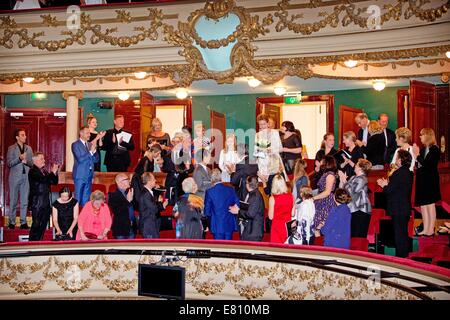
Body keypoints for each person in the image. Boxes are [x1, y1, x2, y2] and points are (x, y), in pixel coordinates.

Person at [377, 150, 413, 258]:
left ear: (401, 160)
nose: (396, 159)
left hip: (398, 208)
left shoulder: (398, 173)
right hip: (404, 208)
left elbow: (389, 190)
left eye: (397, 157)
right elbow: (398, 189)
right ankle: (404, 257)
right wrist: (388, 184)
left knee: (399, 236)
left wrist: (383, 185)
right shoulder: (408, 173)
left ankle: (401, 258)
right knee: (403, 234)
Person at [413, 128, 441, 236]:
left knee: (430, 205)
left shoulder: (435, 149)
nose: (420, 137)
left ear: (428, 136)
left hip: (430, 180)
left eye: (422, 135)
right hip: (422, 180)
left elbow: (427, 164)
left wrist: (417, 155)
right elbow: (419, 165)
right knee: (423, 206)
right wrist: (416, 158)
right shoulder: (424, 149)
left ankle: (430, 229)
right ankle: (425, 228)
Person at [28, 152, 59, 241]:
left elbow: (54, 182)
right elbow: (43, 180)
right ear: (35, 160)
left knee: (43, 225)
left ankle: (38, 243)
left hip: (46, 202)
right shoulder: (32, 171)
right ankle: (31, 243)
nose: (44, 160)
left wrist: (55, 172)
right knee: (36, 224)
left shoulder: (44, 171)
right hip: (37, 202)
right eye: (41, 159)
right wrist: (52, 172)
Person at [7, 128, 33, 229]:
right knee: (13, 200)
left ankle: (23, 222)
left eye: (25, 135)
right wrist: (19, 159)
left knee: (24, 200)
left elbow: (31, 164)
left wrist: (27, 162)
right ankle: (12, 222)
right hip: (14, 177)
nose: (25, 137)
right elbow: (9, 163)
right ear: (17, 137)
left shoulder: (29, 149)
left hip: (25, 177)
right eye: (22, 135)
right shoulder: (11, 148)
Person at [339, 159, 372, 238]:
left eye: (357, 165)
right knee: (352, 235)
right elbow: (343, 190)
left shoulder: (362, 178)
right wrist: (341, 181)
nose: (355, 166)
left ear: (360, 168)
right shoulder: (353, 177)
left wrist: (345, 181)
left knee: (358, 236)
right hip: (353, 209)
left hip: (360, 210)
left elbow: (352, 191)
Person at [204, 169, 240, 240]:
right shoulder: (231, 189)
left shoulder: (210, 192)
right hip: (229, 224)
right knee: (229, 249)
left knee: (218, 248)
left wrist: (207, 224)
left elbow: (207, 211)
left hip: (216, 225)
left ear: (211, 179)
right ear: (221, 178)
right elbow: (237, 204)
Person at [229, 175, 265, 242]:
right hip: (250, 230)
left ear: (248, 185)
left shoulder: (255, 196)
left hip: (253, 232)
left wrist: (238, 211)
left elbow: (250, 214)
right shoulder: (253, 194)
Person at [254, 114, 284, 193]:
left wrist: (272, 150)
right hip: (263, 164)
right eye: (260, 124)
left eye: (264, 124)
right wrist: (261, 152)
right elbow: (255, 152)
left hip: (274, 162)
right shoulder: (257, 135)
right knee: (264, 188)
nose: (262, 126)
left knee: (275, 187)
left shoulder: (275, 133)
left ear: (268, 123)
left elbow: (280, 148)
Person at [72, 126, 99, 207]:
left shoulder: (90, 144)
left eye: (89, 133)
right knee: (78, 199)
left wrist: (94, 152)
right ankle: (76, 219)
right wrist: (90, 152)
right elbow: (80, 159)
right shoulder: (75, 145)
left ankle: (84, 218)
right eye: (87, 133)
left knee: (86, 200)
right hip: (80, 176)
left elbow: (95, 160)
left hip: (89, 176)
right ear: (81, 133)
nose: (89, 135)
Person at [313, 155, 337, 235]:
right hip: (321, 200)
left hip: (326, 202)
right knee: (317, 227)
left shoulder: (330, 175)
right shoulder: (326, 173)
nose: (321, 162)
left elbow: (327, 192)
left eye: (322, 161)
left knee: (321, 226)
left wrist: (313, 198)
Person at [139, 172, 168, 239]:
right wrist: (162, 205)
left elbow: (151, 206)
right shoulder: (146, 194)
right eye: (153, 179)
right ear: (149, 181)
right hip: (148, 225)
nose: (155, 181)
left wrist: (158, 202)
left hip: (150, 224)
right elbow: (154, 209)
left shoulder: (147, 192)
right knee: (151, 246)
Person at [268, 174, 294, 243]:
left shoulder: (272, 198)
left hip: (277, 227)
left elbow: (270, 217)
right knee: (287, 249)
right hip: (287, 227)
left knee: (276, 250)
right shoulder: (291, 196)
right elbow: (293, 213)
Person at [109, 173, 136, 239]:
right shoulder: (113, 195)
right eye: (127, 179)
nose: (129, 181)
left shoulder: (129, 193)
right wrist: (128, 201)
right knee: (121, 249)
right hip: (120, 229)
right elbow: (117, 211)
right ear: (120, 182)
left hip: (131, 227)